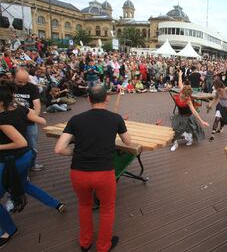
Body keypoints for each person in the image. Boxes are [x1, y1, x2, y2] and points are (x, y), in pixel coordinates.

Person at [54, 85, 132, 252]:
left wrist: (75, 152)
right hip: (104, 173)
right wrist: (121, 125)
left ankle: (85, 242)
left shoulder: (75, 119)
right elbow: (127, 142)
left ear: (89, 99)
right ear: (107, 99)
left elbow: (59, 148)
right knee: (107, 209)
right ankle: (103, 246)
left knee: (84, 206)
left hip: (79, 173)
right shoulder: (116, 118)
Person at [0, 80, 64, 248]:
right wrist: (27, 118)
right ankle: (56, 204)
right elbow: (41, 121)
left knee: (19, 185)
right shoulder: (19, 108)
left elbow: (20, 141)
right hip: (26, 156)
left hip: (11, 161)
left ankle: (8, 230)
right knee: (24, 185)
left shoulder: (3, 119)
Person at [170, 70, 209, 151]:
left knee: (183, 129)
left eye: (188, 96)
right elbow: (180, 81)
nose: (186, 97)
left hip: (187, 116)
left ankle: (188, 139)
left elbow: (194, 111)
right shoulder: (181, 90)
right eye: (185, 95)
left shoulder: (188, 100)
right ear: (182, 92)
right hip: (179, 114)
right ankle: (176, 143)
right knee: (174, 127)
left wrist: (202, 121)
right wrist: (180, 74)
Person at [13, 68, 43, 171]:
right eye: (19, 81)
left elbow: (37, 105)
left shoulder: (32, 87)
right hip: (13, 123)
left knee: (32, 146)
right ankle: (19, 169)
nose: (22, 84)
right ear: (14, 77)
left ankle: (32, 164)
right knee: (16, 147)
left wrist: (35, 117)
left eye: (25, 81)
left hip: (29, 122)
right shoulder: (9, 87)